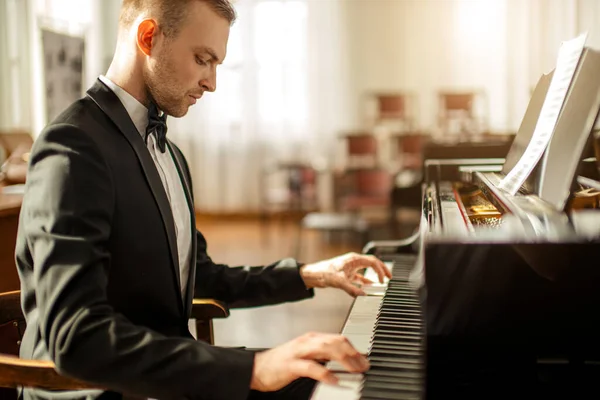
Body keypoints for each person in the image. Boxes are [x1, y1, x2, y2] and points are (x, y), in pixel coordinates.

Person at [15, 0, 391, 399]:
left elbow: (200, 276)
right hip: (101, 390)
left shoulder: (170, 156)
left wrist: (309, 274)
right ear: (148, 37)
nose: (212, 83)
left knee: (342, 375)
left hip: (166, 374)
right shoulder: (73, 146)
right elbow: (75, 338)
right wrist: (256, 368)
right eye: (202, 59)